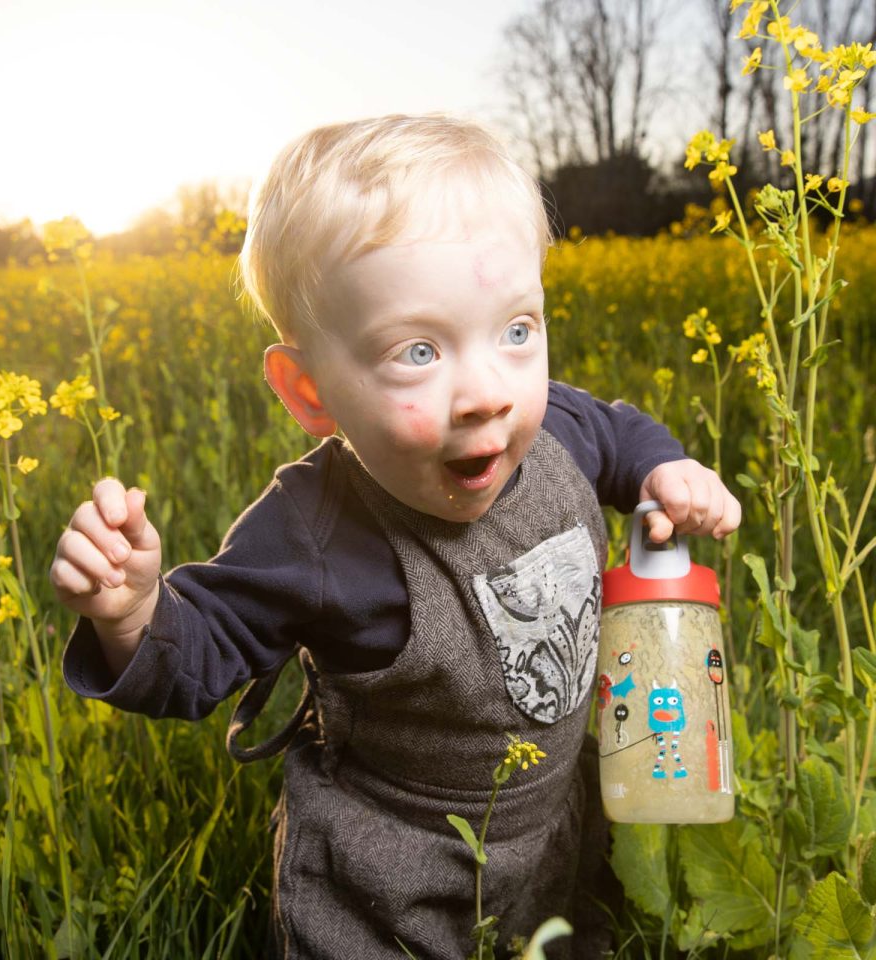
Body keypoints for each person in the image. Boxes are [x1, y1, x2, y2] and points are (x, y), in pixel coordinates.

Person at [50, 114, 741, 959]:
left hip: (546, 833)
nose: (486, 391)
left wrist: (661, 472)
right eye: (419, 351)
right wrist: (131, 615)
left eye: (517, 331)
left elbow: (618, 430)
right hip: (390, 884)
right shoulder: (316, 531)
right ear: (310, 390)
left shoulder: (557, 427)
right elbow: (204, 649)